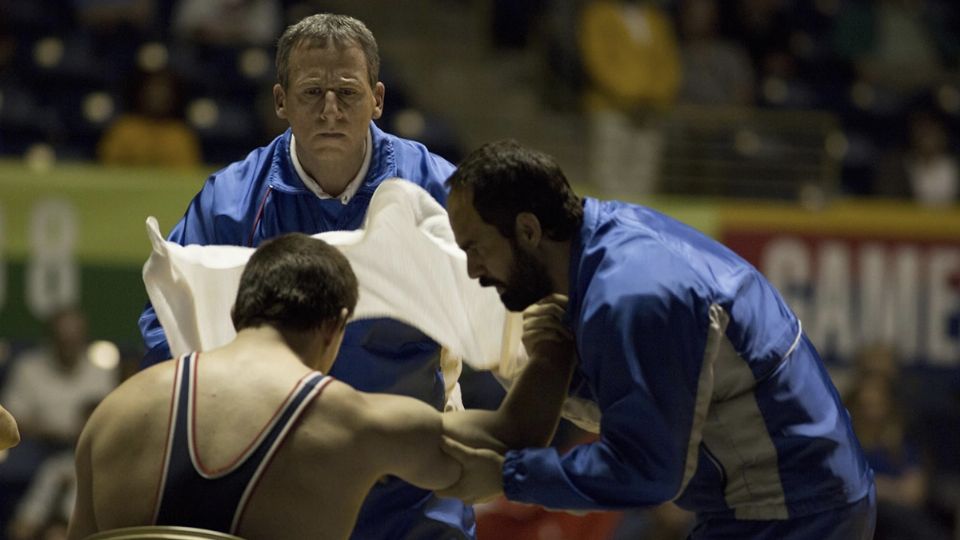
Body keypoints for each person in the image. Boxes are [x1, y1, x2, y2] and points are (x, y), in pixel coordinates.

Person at [135, 13, 473, 539]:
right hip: (276, 477)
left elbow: (509, 295)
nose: (331, 110)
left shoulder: (438, 190)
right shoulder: (230, 203)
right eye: (312, 92)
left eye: (347, 92)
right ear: (280, 102)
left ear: (378, 99)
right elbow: (167, 325)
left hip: (413, 482)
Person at [438, 140, 877, 539]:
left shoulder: (631, 297)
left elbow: (646, 470)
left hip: (797, 514)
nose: (474, 270)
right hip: (789, 502)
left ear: (529, 231)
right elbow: (646, 400)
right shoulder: (607, 241)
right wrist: (558, 360)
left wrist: (507, 476)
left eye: (476, 248)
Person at [70, 233, 575, 540]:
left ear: (233, 315)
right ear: (335, 330)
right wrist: (555, 345)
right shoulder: (352, 421)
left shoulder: (114, 414)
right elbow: (511, 446)